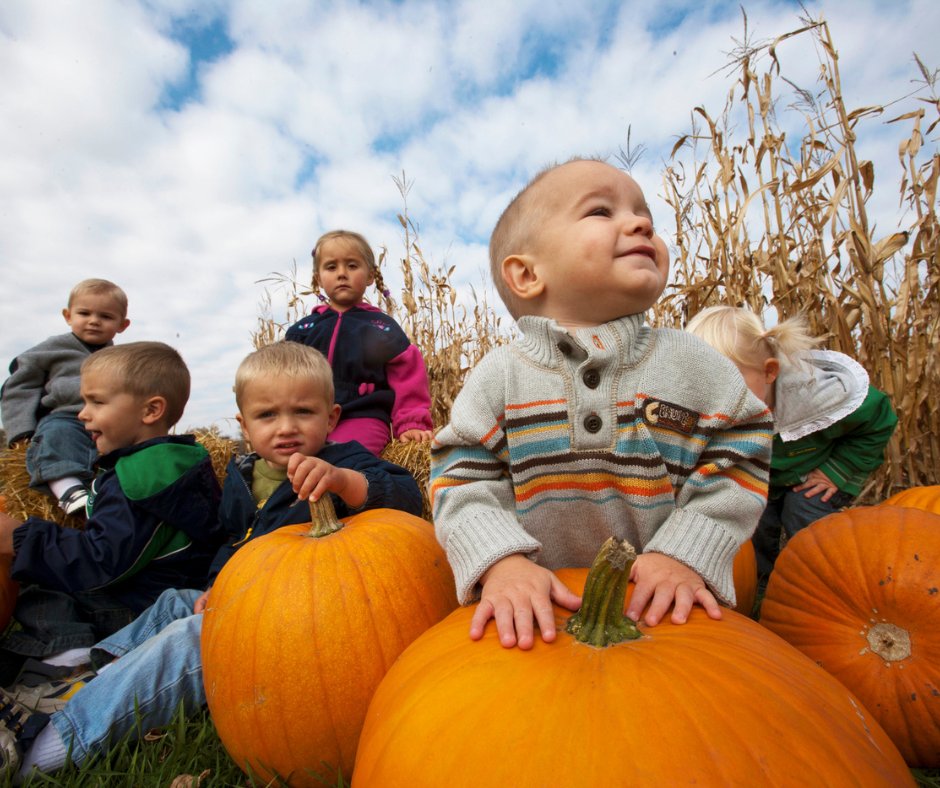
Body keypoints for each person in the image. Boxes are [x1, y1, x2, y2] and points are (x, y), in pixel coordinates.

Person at [0, 341, 423, 778]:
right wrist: (215, 585)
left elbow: (407, 497)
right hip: (248, 602)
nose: (286, 427)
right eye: (267, 415)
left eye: (303, 412)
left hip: (306, 627)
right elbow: (232, 544)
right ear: (244, 425)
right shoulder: (243, 476)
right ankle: (94, 675)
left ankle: (51, 742)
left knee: (194, 638)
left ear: (331, 418)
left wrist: (345, 482)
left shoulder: (344, 460)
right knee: (176, 601)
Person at [430, 158, 774, 651]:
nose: (642, 224)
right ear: (526, 273)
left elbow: (741, 447)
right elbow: (462, 477)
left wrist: (686, 552)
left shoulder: (691, 364)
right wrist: (501, 562)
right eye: (600, 211)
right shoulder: (500, 377)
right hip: (538, 617)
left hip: (659, 609)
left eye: (644, 214)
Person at [0, 342, 224, 684]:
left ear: (151, 410)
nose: (82, 413)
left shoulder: (140, 480)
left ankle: (71, 658)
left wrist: (19, 538)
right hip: (153, 593)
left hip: (138, 609)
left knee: (41, 586)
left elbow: (101, 563)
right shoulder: (169, 463)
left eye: (96, 402)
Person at [685, 305, 898, 580]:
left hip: (815, 472)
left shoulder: (818, 395)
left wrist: (837, 471)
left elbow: (879, 420)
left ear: (769, 372)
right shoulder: (717, 410)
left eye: (729, 383)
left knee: (804, 512)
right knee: (752, 519)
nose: (718, 399)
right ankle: (760, 582)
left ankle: (822, 581)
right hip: (767, 477)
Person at [285, 229, 434, 454]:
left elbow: (408, 377)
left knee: (346, 459)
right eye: (331, 267)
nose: (342, 274)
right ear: (318, 279)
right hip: (309, 419)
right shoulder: (303, 331)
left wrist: (411, 422)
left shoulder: (382, 327)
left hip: (362, 415)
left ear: (370, 276)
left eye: (352, 265)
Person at [1, 279, 131, 515]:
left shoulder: (123, 359)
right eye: (84, 313)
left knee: (132, 449)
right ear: (68, 316)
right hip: (66, 416)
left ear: (122, 325)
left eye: (105, 316)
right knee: (57, 436)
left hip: (108, 421)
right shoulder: (51, 349)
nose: (94, 321)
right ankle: (69, 490)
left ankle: (120, 495)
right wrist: (21, 430)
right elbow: (19, 387)